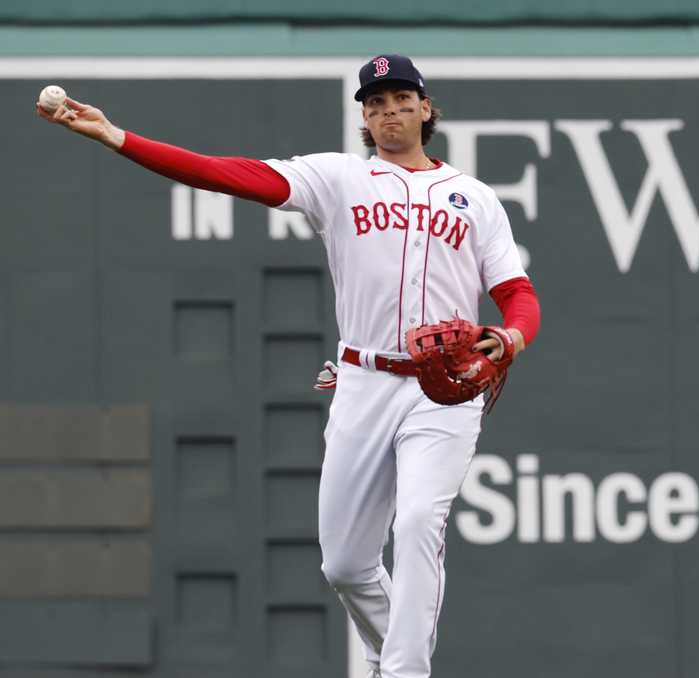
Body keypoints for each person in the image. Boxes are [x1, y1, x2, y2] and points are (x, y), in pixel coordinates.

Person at [36, 54, 542, 678]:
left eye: (401, 99)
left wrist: (511, 338)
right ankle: (391, 656)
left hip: (445, 392)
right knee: (346, 565)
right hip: (362, 381)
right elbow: (228, 175)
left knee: (417, 522)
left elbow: (518, 295)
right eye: (375, 103)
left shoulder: (476, 199)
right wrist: (118, 137)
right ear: (364, 115)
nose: (389, 111)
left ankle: (408, 673)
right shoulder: (340, 180)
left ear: (426, 108)